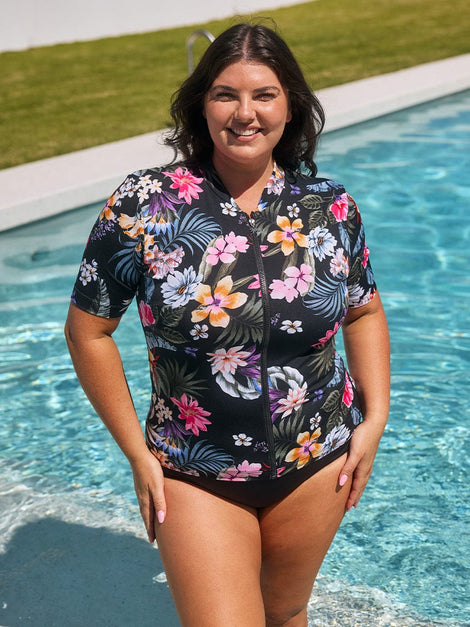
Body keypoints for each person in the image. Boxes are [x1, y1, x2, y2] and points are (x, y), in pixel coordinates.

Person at [65, 22, 390, 627]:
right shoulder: (146, 204)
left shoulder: (329, 206)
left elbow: (364, 308)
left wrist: (376, 420)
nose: (245, 113)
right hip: (194, 470)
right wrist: (136, 453)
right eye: (225, 94)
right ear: (201, 105)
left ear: (291, 106)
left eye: (264, 95)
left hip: (318, 459)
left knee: (286, 612)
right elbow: (89, 331)